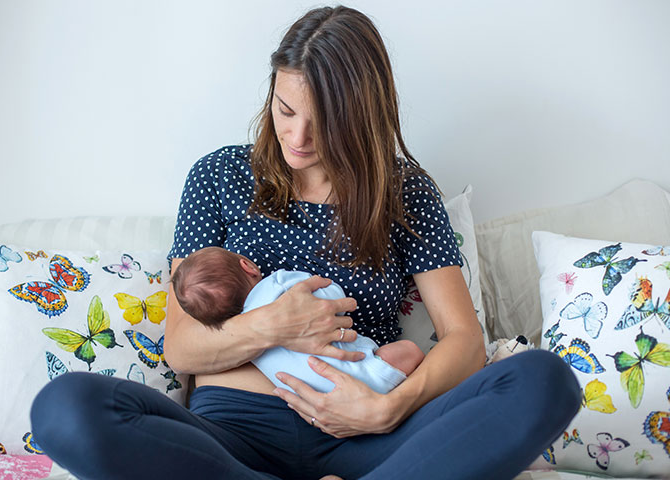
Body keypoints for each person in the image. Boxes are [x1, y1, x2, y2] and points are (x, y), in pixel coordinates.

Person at [30, 6, 581, 480]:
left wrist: (388, 409)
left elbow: (464, 341)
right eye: (286, 111)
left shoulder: (405, 192)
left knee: (544, 381)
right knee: (65, 408)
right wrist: (275, 326)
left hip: (369, 436)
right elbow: (181, 345)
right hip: (231, 435)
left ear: (363, 118)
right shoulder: (219, 177)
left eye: (323, 124)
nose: (296, 139)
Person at [171, 246, 426, 394]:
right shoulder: (279, 284)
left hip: (311, 400)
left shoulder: (242, 344)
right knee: (411, 351)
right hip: (364, 376)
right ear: (248, 266)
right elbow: (331, 297)